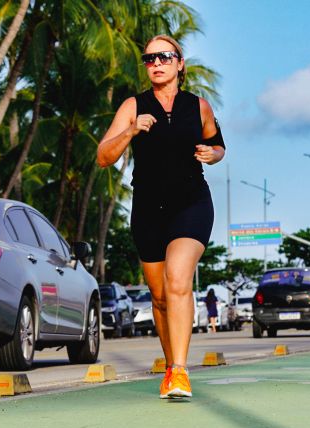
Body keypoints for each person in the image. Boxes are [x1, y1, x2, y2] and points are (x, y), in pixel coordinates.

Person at [97, 34, 225, 399]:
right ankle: (171, 367)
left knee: (178, 280)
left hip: (192, 202)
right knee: (159, 297)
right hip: (148, 209)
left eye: (164, 56)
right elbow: (103, 156)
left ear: (180, 64)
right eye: (149, 58)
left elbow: (218, 144)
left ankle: (182, 372)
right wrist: (131, 130)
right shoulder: (133, 106)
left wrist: (213, 155)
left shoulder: (198, 106)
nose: (156, 63)